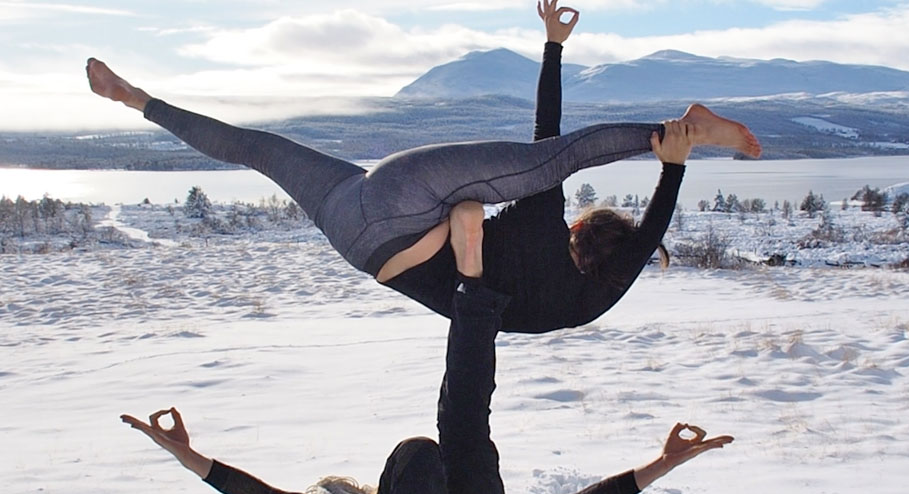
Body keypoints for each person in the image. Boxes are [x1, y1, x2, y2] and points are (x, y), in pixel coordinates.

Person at [120, 207, 735, 494]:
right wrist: (189, 457)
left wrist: (661, 465)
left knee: (446, 445)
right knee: (438, 445)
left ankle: (475, 286)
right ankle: (474, 288)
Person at [86, 1, 761, 334]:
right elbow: (635, 252)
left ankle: (682, 128)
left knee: (547, 159)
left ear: (584, 230)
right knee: (263, 153)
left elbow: (552, 148)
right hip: (358, 236)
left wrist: (672, 162)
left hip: (406, 201)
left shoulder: (554, 251)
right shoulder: (564, 307)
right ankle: (135, 98)